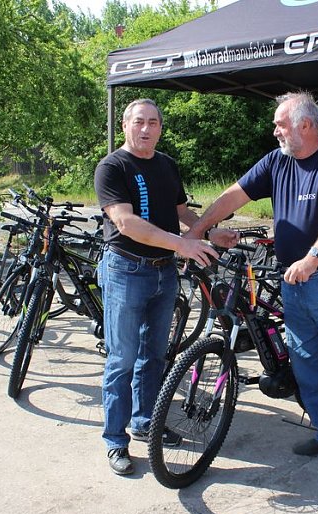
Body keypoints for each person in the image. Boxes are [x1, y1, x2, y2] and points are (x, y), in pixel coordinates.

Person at [187, 91, 318, 488]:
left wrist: (313, 257)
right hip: (293, 280)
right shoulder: (276, 162)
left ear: (305, 124)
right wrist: (199, 229)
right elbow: (233, 196)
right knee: (308, 364)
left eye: (280, 123)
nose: (274, 130)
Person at [94, 98, 233, 476]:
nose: (146, 128)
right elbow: (126, 223)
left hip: (164, 272)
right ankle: (114, 440)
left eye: (153, 122)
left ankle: (144, 423)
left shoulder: (167, 165)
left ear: (160, 127)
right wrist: (183, 244)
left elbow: (180, 211)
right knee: (121, 358)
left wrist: (207, 230)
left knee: (155, 355)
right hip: (126, 270)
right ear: (125, 125)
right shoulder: (112, 167)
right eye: (139, 121)